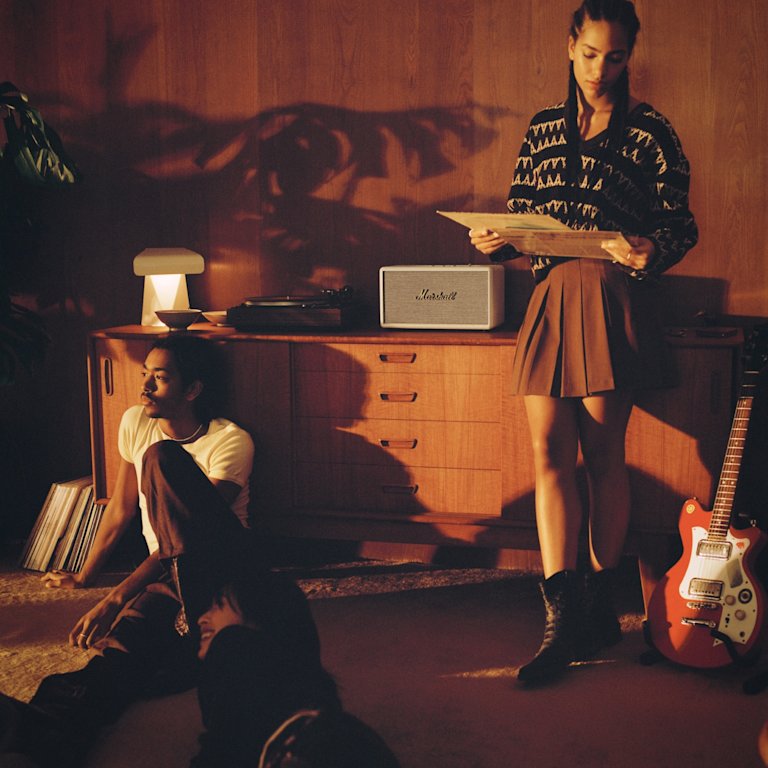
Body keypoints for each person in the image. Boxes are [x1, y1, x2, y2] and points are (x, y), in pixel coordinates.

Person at [470, 0, 697, 684]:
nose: (602, 68)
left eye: (616, 56)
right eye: (591, 53)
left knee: (602, 455)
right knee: (547, 453)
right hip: (549, 298)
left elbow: (680, 225)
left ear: (630, 55)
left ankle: (599, 600)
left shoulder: (652, 131)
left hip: (609, 296)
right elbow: (519, 214)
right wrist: (496, 239)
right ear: (571, 47)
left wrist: (647, 248)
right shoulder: (540, 130)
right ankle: (562, 611)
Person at [1, 334, 255, 766]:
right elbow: (119, 510)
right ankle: (48, 734)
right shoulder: (135, 421)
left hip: (219, 567)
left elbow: (188, 537)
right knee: (114, 660)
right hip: (168, 577)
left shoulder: (231, 442)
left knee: (161, 459)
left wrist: (115, 597)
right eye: (145, 375)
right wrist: (86, 576)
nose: (146, 387)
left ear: (192, 389)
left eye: (160, 377)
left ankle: (199, 645)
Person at [191, 562, 401, 768]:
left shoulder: (313, 738)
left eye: (218, 605)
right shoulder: (316, 717)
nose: (202, 619)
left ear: (263, 617)